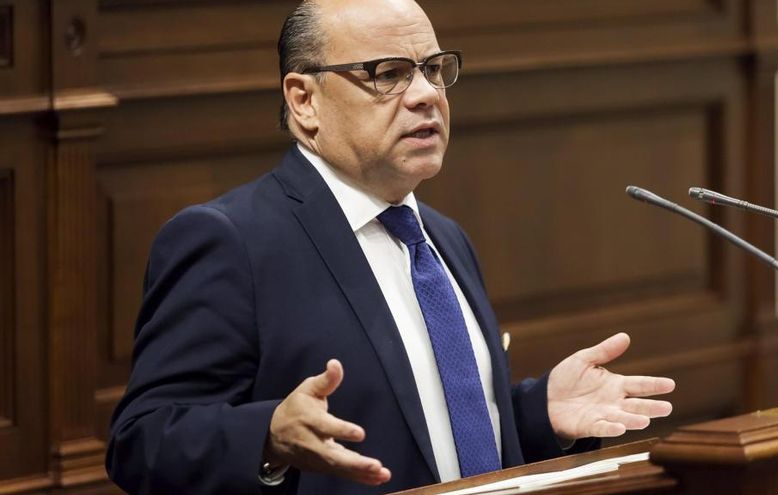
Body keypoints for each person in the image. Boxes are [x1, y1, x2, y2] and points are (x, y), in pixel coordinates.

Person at [105, 0, 676, 493]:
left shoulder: (442, 238)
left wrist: (533, 415)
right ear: (304, 100)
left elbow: (431, 437)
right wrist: (270, 436)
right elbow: (143, 441)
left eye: (433, 69)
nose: (426, 94)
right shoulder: (230, 241)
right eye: (388, 73)